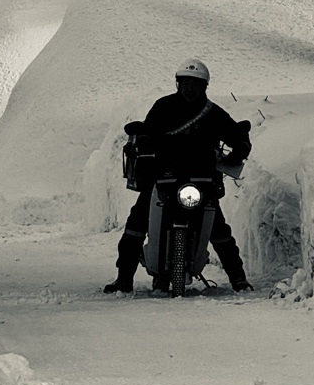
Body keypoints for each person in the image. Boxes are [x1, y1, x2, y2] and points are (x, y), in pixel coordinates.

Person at [103, 58, 253, 294]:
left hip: (201, 180)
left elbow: (237, 135)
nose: (190, 89)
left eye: (195, 84)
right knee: (136, 224)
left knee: (219, 230)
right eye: (185, 83)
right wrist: (144, 144)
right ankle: (123, 280)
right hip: (164, 177)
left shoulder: (213, 113)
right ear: (177, 84)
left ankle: (239, 280)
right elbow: (147, 131)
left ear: (204, 87)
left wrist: (240, 148)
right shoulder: (163, 107)